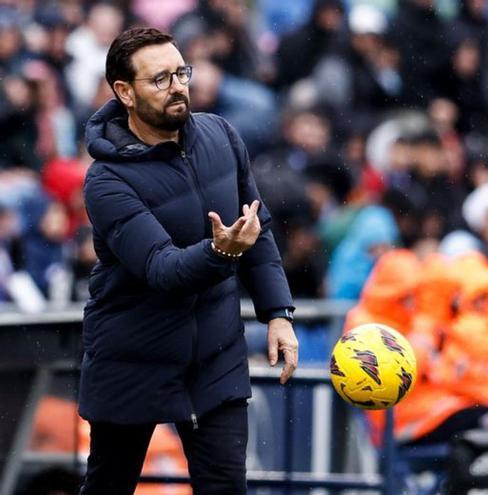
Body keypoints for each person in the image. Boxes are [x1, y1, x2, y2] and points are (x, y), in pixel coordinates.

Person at [78, 28, 299, 494]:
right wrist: (221, 251)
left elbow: (256, 230)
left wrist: (277, 313)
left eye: (182, 72)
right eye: (160, 79)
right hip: (131, 357)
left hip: (215, 358)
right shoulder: (105, 180)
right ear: (125, 92)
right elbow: (163, 269)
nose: (179, 85)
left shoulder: (221, 133)